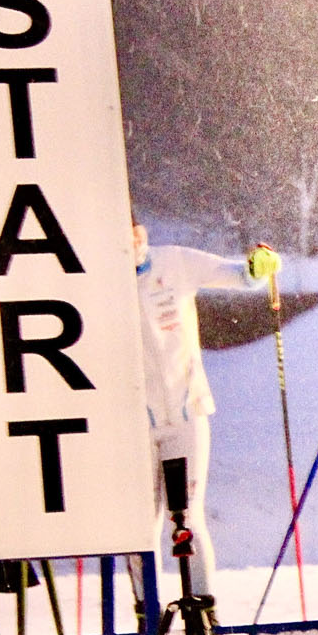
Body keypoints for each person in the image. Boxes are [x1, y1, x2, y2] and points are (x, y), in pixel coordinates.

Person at [133, 224, 280, 600]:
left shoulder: (174, 261)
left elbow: (238, 276)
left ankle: (205, 615)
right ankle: (146, 619)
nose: (132, 241)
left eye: (134, 230)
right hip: (135, 424)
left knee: (186, 520)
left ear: (142, 230)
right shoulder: (100, 279)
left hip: (186, 411)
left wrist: (257, 266)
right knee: (138, 528)